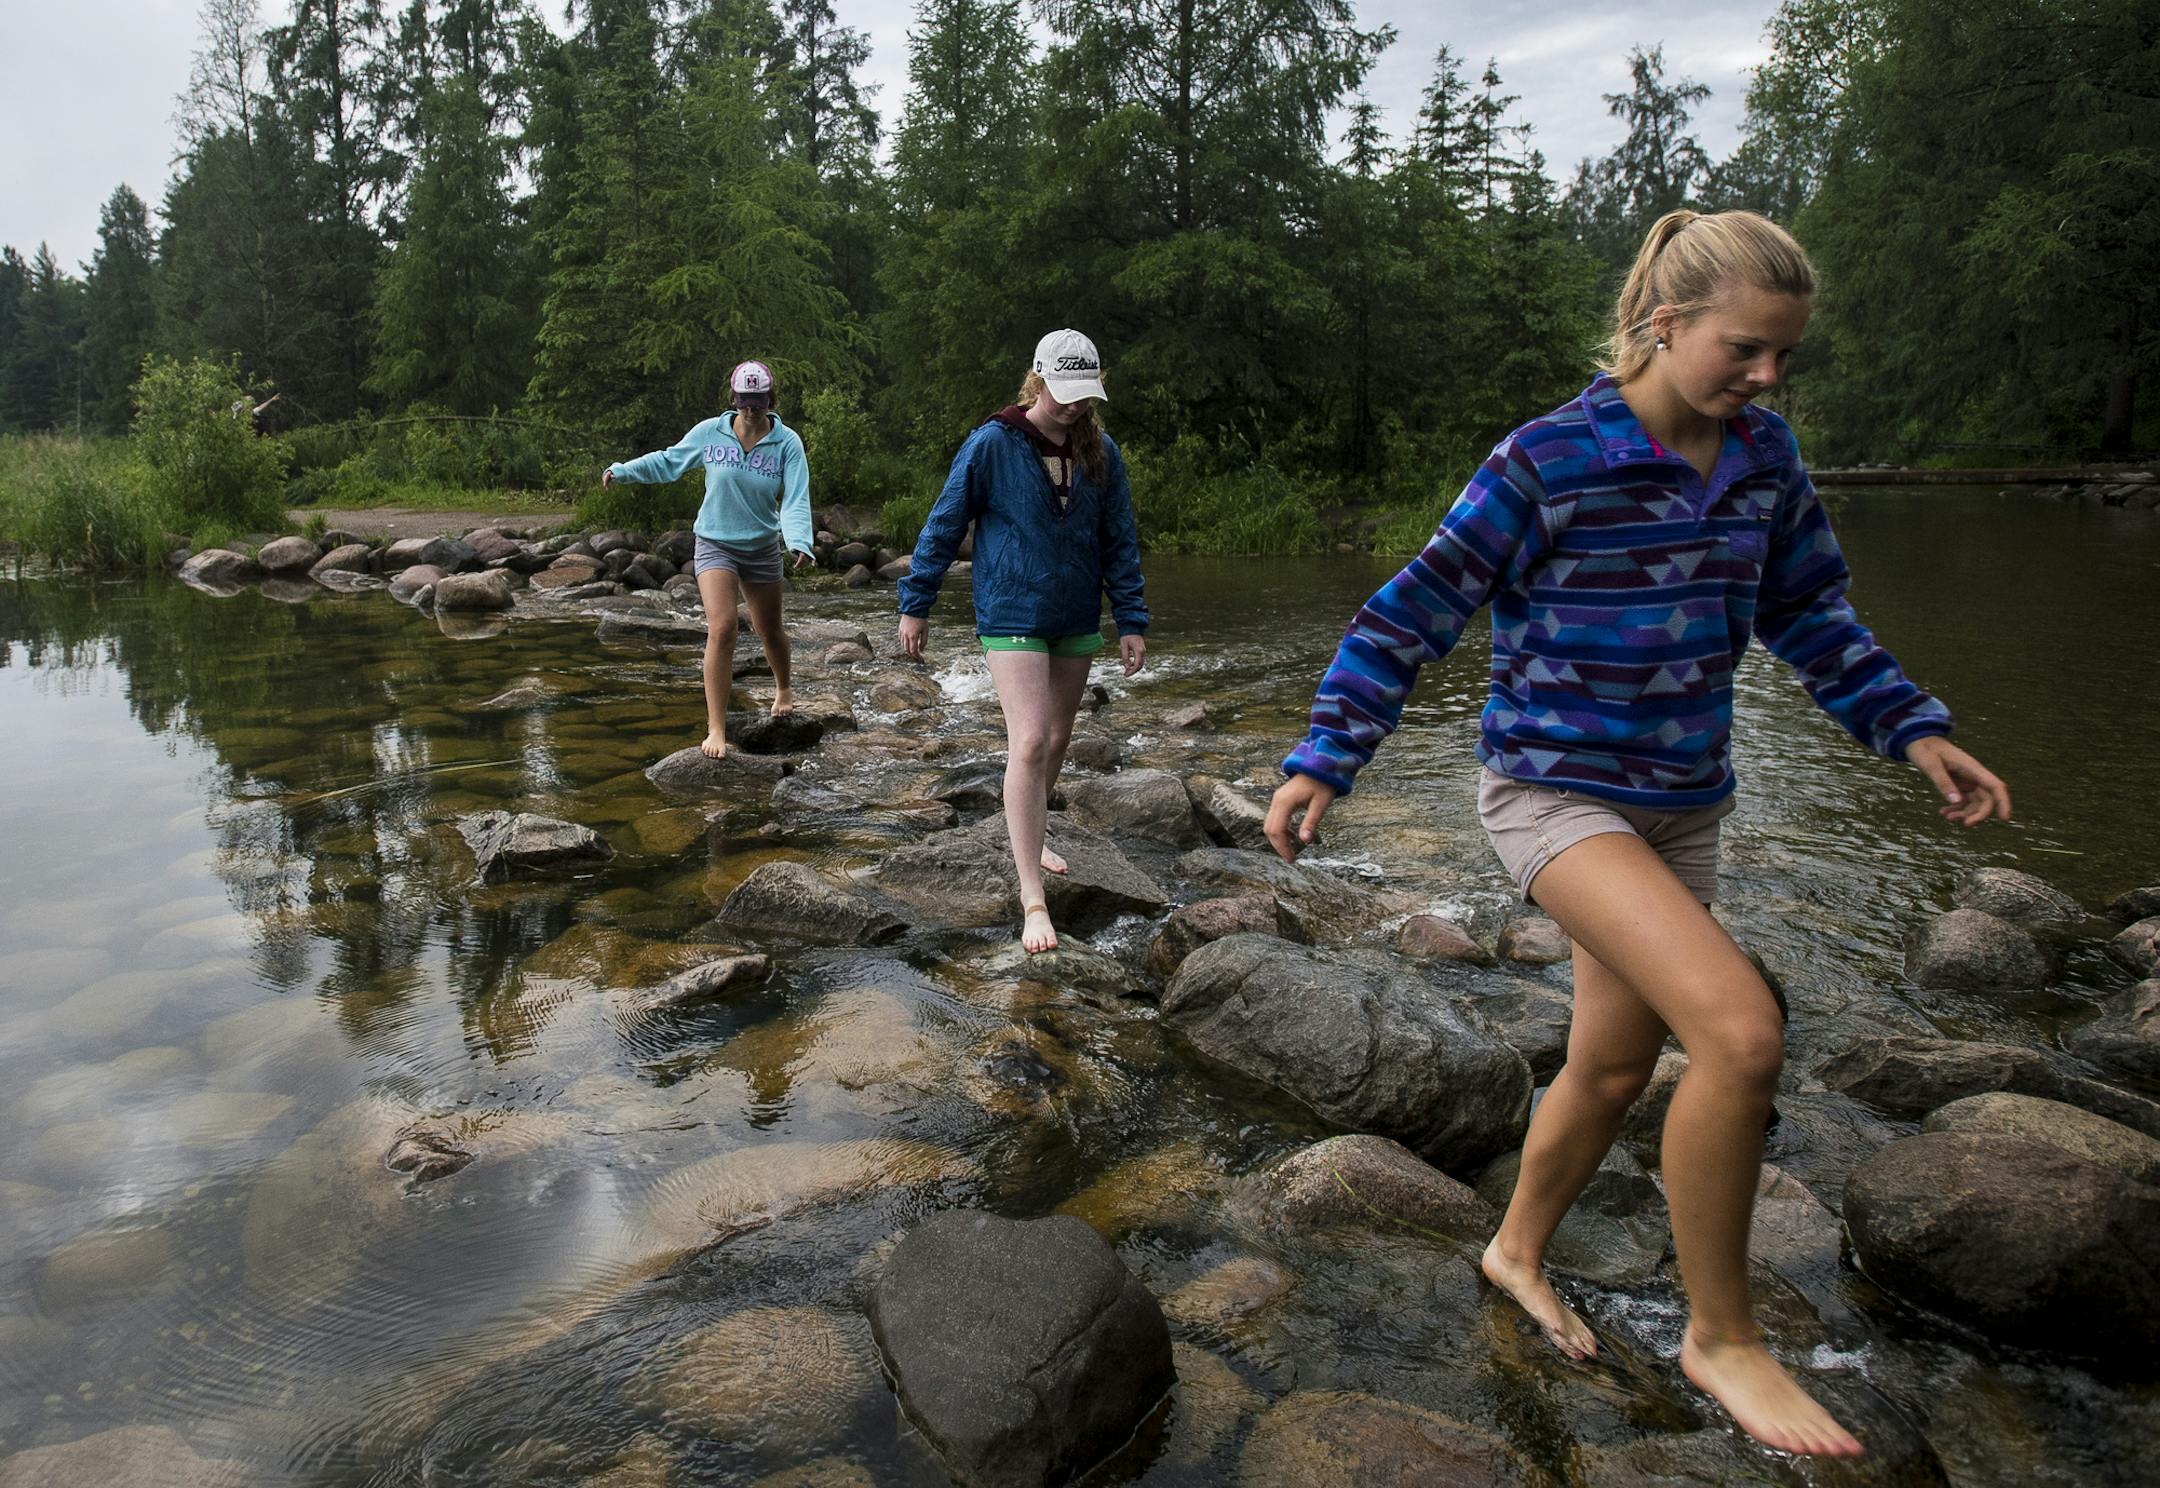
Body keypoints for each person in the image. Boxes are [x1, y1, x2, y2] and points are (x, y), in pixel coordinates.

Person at [1263, 209, 2010, 1459]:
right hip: (1553, 795)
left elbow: (1812, 615)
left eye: (1783, 357)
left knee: (1613, 1068)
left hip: (1682, 803)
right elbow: (1414, 610)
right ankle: (1723, 1340)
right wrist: (1326, 756)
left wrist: (1910, 727)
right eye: (1745, 349)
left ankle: (1513, 1250)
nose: (1767, 378)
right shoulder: (1550, 457)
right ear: (1664, 325)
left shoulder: (1763, 462)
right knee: (1740, 1031)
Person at [896, 329, 1149, 954]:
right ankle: (1032, 896)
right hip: (1010, 606)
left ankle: (1031, 832)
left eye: (1084, 396)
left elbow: (1119, 539)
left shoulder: (1102, 453)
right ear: (1036, 381)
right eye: (1063, 394)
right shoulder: (991, 444)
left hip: (1073, 610)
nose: (1073, 406)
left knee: (1059, 738)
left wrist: (1132, 617)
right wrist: (916, 603)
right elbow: (944, 523)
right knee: (1031, 738)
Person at [602, 360, 813, 758]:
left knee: (771, 631)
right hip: (715, 543)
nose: (751, 409)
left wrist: (799, 540)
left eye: (759, 401)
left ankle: (783, 686)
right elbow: (668, 461)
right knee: (723, 628)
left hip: (763, 546)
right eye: (745, 401)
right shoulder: (710, 433)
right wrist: (623, 470)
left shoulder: (788, 443)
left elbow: (796, 497)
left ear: (771, 399)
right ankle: (716, 727)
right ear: (734, 399)